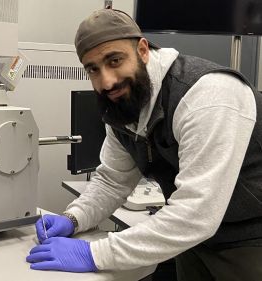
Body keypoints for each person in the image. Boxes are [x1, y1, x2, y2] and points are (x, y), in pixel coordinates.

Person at [26, 8, 262, 281]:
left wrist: (94, 255)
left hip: (251, 237)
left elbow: (196, 214)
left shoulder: (207, 96)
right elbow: (113, 180)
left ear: (142, 50)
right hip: (195, 240)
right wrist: (74, 218)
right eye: (93, 69)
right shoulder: (124, 104)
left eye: (114, 60)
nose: (106, 81)